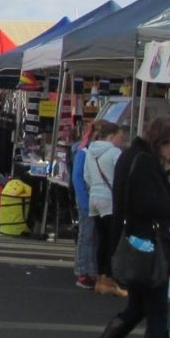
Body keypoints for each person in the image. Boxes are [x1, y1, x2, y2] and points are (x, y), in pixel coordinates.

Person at [80, 116, 170, 338]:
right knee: (156, 310)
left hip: (133, 240)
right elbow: (148, 204)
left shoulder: (131, 156)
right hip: (147, 244)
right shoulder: (145, 163)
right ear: (162, 141)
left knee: (138, 307)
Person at [84, 121, 126, 297]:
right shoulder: (115, 152)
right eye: (120, 137)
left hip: (95, 197)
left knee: (102, 239)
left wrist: (95, 187)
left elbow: (86, 176)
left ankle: (100, 277)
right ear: (112, 136)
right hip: (110, 199)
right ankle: (109, 278)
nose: (121, 141)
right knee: (113, 240)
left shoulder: (90, 151)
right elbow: (122, 176)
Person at [71, 121, 97, 290]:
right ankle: (83, 271)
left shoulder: (85, 150)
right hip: (87, 199)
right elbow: (77, 178)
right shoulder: (83, 152)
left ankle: (88, 269)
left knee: (90, 236)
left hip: (91, 199)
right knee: (87, 235)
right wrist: (83, 201)